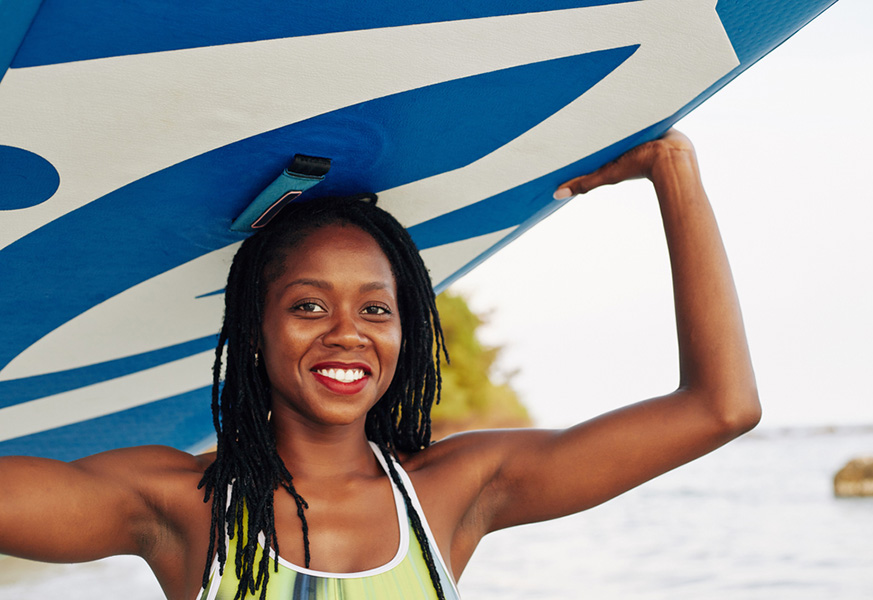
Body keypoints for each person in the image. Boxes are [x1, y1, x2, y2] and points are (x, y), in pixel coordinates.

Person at [0, 130, 760, 600]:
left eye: (375, 309)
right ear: (255, 331)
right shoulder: (179, 502)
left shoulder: (454, 492)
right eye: (307, 306)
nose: (346, 334)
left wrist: (674, 171)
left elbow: (719, 409)